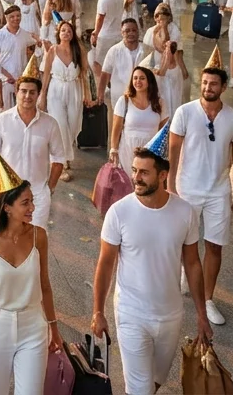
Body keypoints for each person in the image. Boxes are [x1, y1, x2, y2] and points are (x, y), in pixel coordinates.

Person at [91, 142, 212, 395]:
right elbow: (105, 264)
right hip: (131, 312)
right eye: (135, 170)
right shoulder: (119, 212)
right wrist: (98, 311)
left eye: (144, 172)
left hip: (170, 315)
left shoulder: (184, 212)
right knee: (140, 389)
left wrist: (202, 314)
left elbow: (192, 263)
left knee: (156, 380)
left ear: (163, 175)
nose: (136, 178)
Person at [0, 153, 63, 395]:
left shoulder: (39, 236)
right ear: (7, 207)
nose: (32, 208)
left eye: (32, 201)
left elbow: (45, 285)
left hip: (33, 327)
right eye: (25, 203)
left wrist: (54, 328)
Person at [167, 58, 233, 327]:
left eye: (213, 83)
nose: (208, 87)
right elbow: (173, 149)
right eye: (204, 82)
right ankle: (180, 275)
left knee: (214, 245)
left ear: (223, 87)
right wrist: (170, 183)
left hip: (219, 190)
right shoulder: (185, 112)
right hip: (187, 186)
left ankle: (208, 298)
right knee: (182, 240)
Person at [0, 66, 64, 229]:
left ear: (38, 94)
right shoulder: (2, 120)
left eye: (32, 92)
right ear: (17, 92)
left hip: (38, 195)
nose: (27, 96)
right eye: (23, 91)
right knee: (7, 239)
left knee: (36, 240)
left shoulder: (50, 123)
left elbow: (58, 158)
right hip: (9, 193)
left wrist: (49, 189)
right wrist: (0, 182)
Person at [39, 19, 88, 184]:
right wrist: (42, 95)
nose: (66, 33)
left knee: (72, 124)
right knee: (59, 124)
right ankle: (61, 162)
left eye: (69, 30)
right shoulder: (52, 50)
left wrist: (87, 94)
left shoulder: (78, 50)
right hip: (55, 89)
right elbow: (45, 74)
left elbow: (84, 74)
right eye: (63, 30)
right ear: (58, 34)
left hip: (74, 89)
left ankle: (66, 154)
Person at [110, 66, 167, 164]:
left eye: (142, 78)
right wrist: (114, 149)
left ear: (149, 81)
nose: (138, 81)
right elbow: (116, 128)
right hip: (127, 150)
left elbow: (163, 129)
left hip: (151, 151)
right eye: (135, 78)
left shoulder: (160, 103)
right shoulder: (124, 101)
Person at [0, 4, 38, 112]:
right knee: (5, 110)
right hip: (5, 80)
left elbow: (37, 42)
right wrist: (6, 75)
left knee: (21, 109)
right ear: (6, 18)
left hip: (21, 79)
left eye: (18, 16)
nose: (16, 19)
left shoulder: (24, 34)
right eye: (12, 16)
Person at [96, 19, 150, 111]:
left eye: (133, 30)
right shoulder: (114, 51)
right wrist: (100, 94)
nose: (131, 33)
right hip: (120, 97)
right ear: (122, 32)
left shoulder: (146, 50)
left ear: (138, 31)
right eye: (127, 31)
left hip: (143, 97)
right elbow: (105, 74)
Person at [145, 5, 189, 117]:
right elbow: (147, 51)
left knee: (173, 98)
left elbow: (171, 48)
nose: (160, 21)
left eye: (164, 19)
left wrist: (183, 69)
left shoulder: (174, 30)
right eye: (158, 19)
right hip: (156, 66)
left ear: (169, 18)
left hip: (171, 68)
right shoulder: (151, 31)